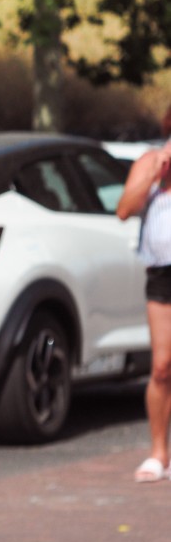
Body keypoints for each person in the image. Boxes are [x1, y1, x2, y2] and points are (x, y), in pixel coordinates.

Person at [116, 103, 171, 483]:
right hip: (162, 274)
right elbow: (124, 209)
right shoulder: (151, 161)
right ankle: (158, 453)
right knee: (162, 366)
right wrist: (155, 174)